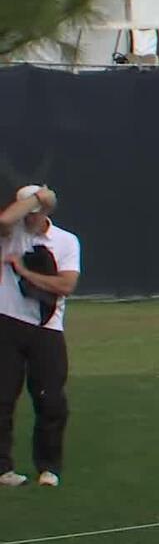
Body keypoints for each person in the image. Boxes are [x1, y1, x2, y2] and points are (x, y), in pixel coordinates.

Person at [0, 185, 79, 488]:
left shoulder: (65, 241)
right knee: (3, 397)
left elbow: (66, 285)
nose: (29, 220)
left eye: (35, 214)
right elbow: (6, 221)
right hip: (7, 323)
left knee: (51, 400)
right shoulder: (11, 235)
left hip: (47, 328)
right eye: (27, 213)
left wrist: (25, 272)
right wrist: (36, 199)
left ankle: (48, 467)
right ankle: (3, 468)